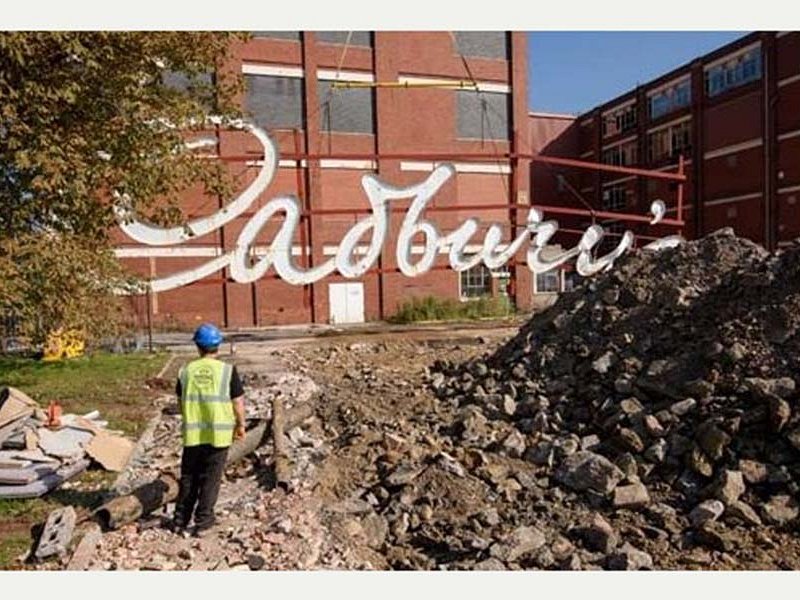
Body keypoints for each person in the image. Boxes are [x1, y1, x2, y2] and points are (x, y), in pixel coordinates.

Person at [171, 323, 246, 536]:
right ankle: (204, 521)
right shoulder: (227, 371)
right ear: (218, 346)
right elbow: (238, 402)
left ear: (197, 346)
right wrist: (240, 425)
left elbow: (180, 402)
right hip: (219, 434)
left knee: (188, 477)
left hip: (193, 434)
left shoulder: (185, 371)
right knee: (211, 478)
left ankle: (180, 520)